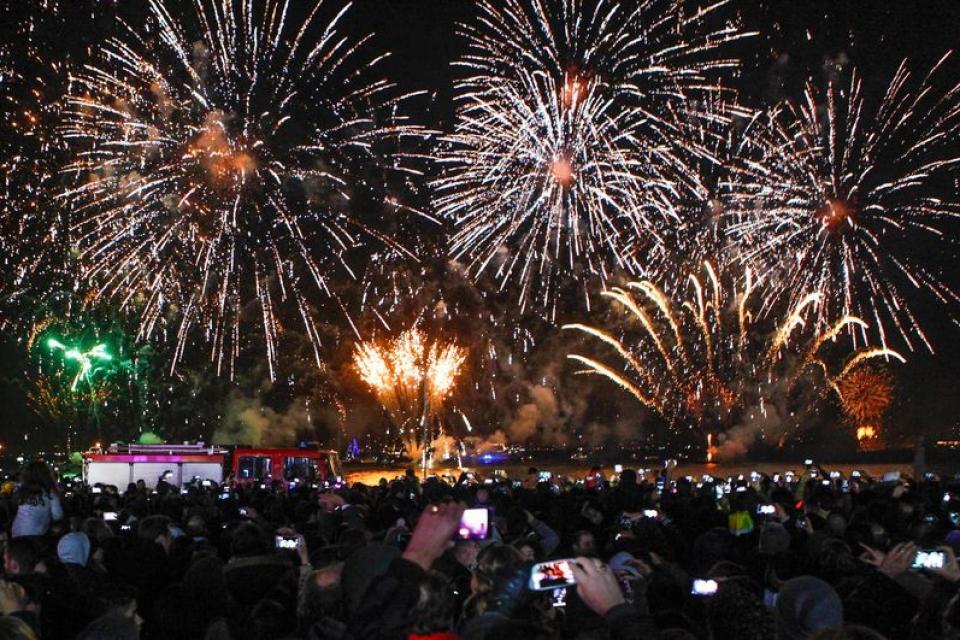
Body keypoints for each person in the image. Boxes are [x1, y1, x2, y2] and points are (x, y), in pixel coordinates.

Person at [11, 461, 63, 538]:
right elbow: (58, 515)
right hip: (36, 536)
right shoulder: (49, 493)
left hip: (16, 533)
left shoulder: (22, 491)